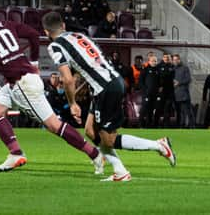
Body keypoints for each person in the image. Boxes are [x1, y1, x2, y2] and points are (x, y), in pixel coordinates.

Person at [0, 0, 104, 173]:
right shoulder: (6, 24)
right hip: (20, 80)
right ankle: (15, 152)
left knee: (54, 125)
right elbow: (32, 34)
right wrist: (35, 62)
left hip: (22, 84)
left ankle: (94, 154)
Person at [43, 11, 176, 182]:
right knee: (90, 131)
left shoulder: (55, 46)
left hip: (106, 87)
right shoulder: (78, 35)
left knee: (109, 139)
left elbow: (67, 79)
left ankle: (159, 146)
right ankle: (120, 171)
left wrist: (73, 103)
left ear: (46, 32)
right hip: (106, 83)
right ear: (63, 26)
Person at [139, 54, 159, 128]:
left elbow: (159, 82)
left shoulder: (158, 70)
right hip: (146, 94)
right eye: (153, 61)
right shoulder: (145, 70)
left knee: (151, 111)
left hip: (155, 95)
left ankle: (149, 126)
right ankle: (141, 125)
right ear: (149, 61)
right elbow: (140, 82)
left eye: (155, 61)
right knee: (144, 109)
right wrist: (145, 91)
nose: (154, 62)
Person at [172, 54, 193, 128]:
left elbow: (188, 79)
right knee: (179, 113)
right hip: (175, 95)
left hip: (184, 94)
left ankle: (192, 127)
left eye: (176, 59)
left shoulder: (185, 68)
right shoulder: (172, 69)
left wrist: (179, 82)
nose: (175, 61)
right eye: (174, 60)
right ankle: (181, 126)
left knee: (188, 112)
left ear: (179, 60)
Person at [155, 53, 175, 128]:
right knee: (158, 108)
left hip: (170, 92)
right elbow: (155, 79)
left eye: (168, 57)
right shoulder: (158, 66)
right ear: (163, 58)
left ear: (170, 58)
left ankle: (166, 126)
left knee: (167, 109)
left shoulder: (172, 67)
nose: (166, 58)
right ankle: (155, 125)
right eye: (165, 57)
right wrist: (158, 86)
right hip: (160, 92)